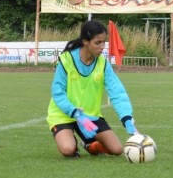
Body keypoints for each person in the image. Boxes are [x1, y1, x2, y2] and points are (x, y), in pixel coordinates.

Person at [47, 19, 138, 158]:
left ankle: (90, 145)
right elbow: (57, 93)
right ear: (85, 41)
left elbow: (117, 92)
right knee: (68, 149)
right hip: (64, 114)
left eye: (104, 42)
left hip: (90, 116)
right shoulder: (66, 60)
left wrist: (126, 117)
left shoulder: (103, 64)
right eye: (98, 42)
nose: (102, 47)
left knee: (117, 149)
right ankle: (73, 144)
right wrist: (75, 113)